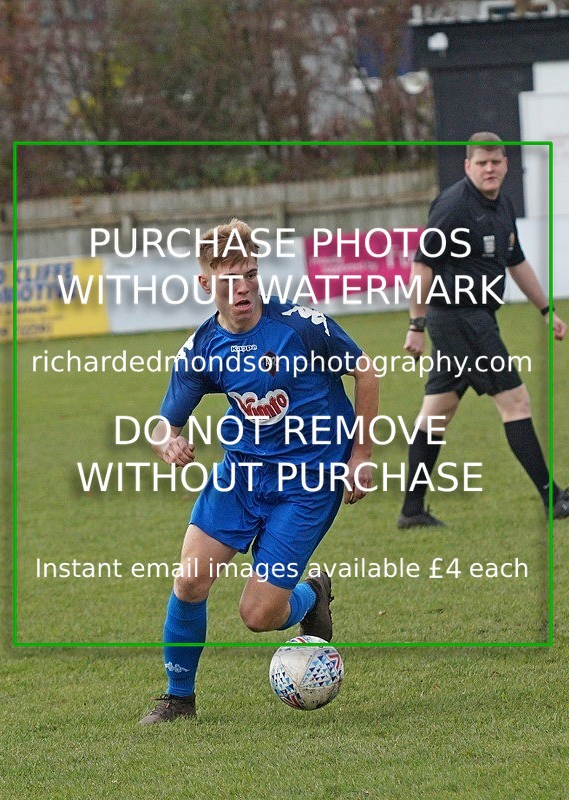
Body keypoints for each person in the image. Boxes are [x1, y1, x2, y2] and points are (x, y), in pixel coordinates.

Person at [139, 218, 379, 724]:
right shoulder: (203, 347)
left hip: (308, 484)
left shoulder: (300, 326)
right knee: (189, 581)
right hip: (241, 476)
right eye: (228, 279)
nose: (243, 287)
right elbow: (163, 421)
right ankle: (177, 698)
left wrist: (361, 455)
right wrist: (168, 442)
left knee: (258, 615)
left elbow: (364, 369)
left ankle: (312, 595)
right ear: (207, 284)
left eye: (249, 274)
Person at [398, 132, 569, 529]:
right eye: (481, 163)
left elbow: (517, 261)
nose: (490, 168)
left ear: (506, 164)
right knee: (516, 402)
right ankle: (553, 499)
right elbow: (422, 266)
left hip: (473, 318)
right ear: (468, 166)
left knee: (437, 411)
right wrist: (415, 324)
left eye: (496, 162)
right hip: (460, 317)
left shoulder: (502, 204)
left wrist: (547, 308)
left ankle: (411, 510)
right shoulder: (453, 206)